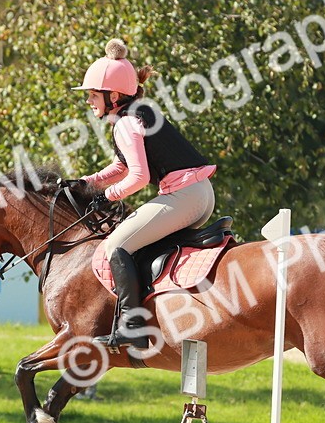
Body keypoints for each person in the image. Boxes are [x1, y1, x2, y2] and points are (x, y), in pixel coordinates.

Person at [65, 38, 217, 350]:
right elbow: (121, 165)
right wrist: (86, 182)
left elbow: (138, 176)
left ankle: (132, 324)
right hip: (198, 195)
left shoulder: (126, 122)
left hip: (184, 196)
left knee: (117, 245)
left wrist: (107, 197)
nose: (88, 101)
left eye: (93, 95)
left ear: (114, 95)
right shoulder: (138, 113)